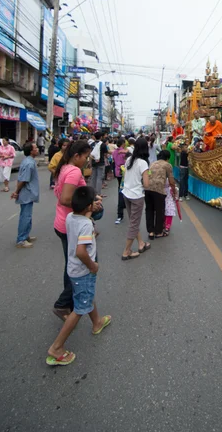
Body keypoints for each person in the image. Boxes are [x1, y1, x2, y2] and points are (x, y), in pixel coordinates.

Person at [46, 186, 111, 367]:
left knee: (86, 295)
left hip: (73, 269)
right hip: (83, 270)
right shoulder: (86, 225)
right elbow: (82, 251)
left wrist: (89, 212)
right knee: (79, 309)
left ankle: (97, 322)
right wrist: (93, 266)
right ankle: (56, 348)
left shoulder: (70, 217)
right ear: (90, 206)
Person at [53, 140, 99, 321]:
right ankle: (64, 304)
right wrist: (90, 206)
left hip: (64, 222)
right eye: (85, 157)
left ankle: (71, 304)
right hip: (72, 224)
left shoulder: (65, 167)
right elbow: (65, 199)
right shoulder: (73, 171)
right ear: (76, 156)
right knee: (82, 267)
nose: (87, 160)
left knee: (71, 265)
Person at [121, 137, 151, 259]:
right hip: (137, 196)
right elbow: (146, 184)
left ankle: (141, 243)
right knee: (134, 223)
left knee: (134, 221)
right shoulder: (143, 163)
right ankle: (126, 251)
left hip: (126, 193)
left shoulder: (129, 159)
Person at [11, 142, 39, 248]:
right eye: (35, 148)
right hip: (26, 193)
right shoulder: (29, 163)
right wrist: (16, 192)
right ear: (31, 151)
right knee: (25, 216)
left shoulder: (28, 161)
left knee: (27, 215)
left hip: (28, 193)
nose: (37, 149)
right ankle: (21, 239)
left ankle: (26, 235)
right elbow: (23, 180)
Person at [145, 150, 176, 239]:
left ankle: (151, 231)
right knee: (159, 211)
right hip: (158, 190)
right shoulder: (167, 165)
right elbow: (171, 181)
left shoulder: (152, 164)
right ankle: (158, 232)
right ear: (167, 158)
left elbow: (149, 175)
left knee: (149, 210)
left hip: (147, 189)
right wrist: (174, 191)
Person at [112, 139, 128, 225]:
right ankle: (120, 211)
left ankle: (123, 206)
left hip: (117, 172)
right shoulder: (124, 152)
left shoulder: (114, 152)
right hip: (124, 172)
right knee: (122, 190)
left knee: (120, 187)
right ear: (122, 144)